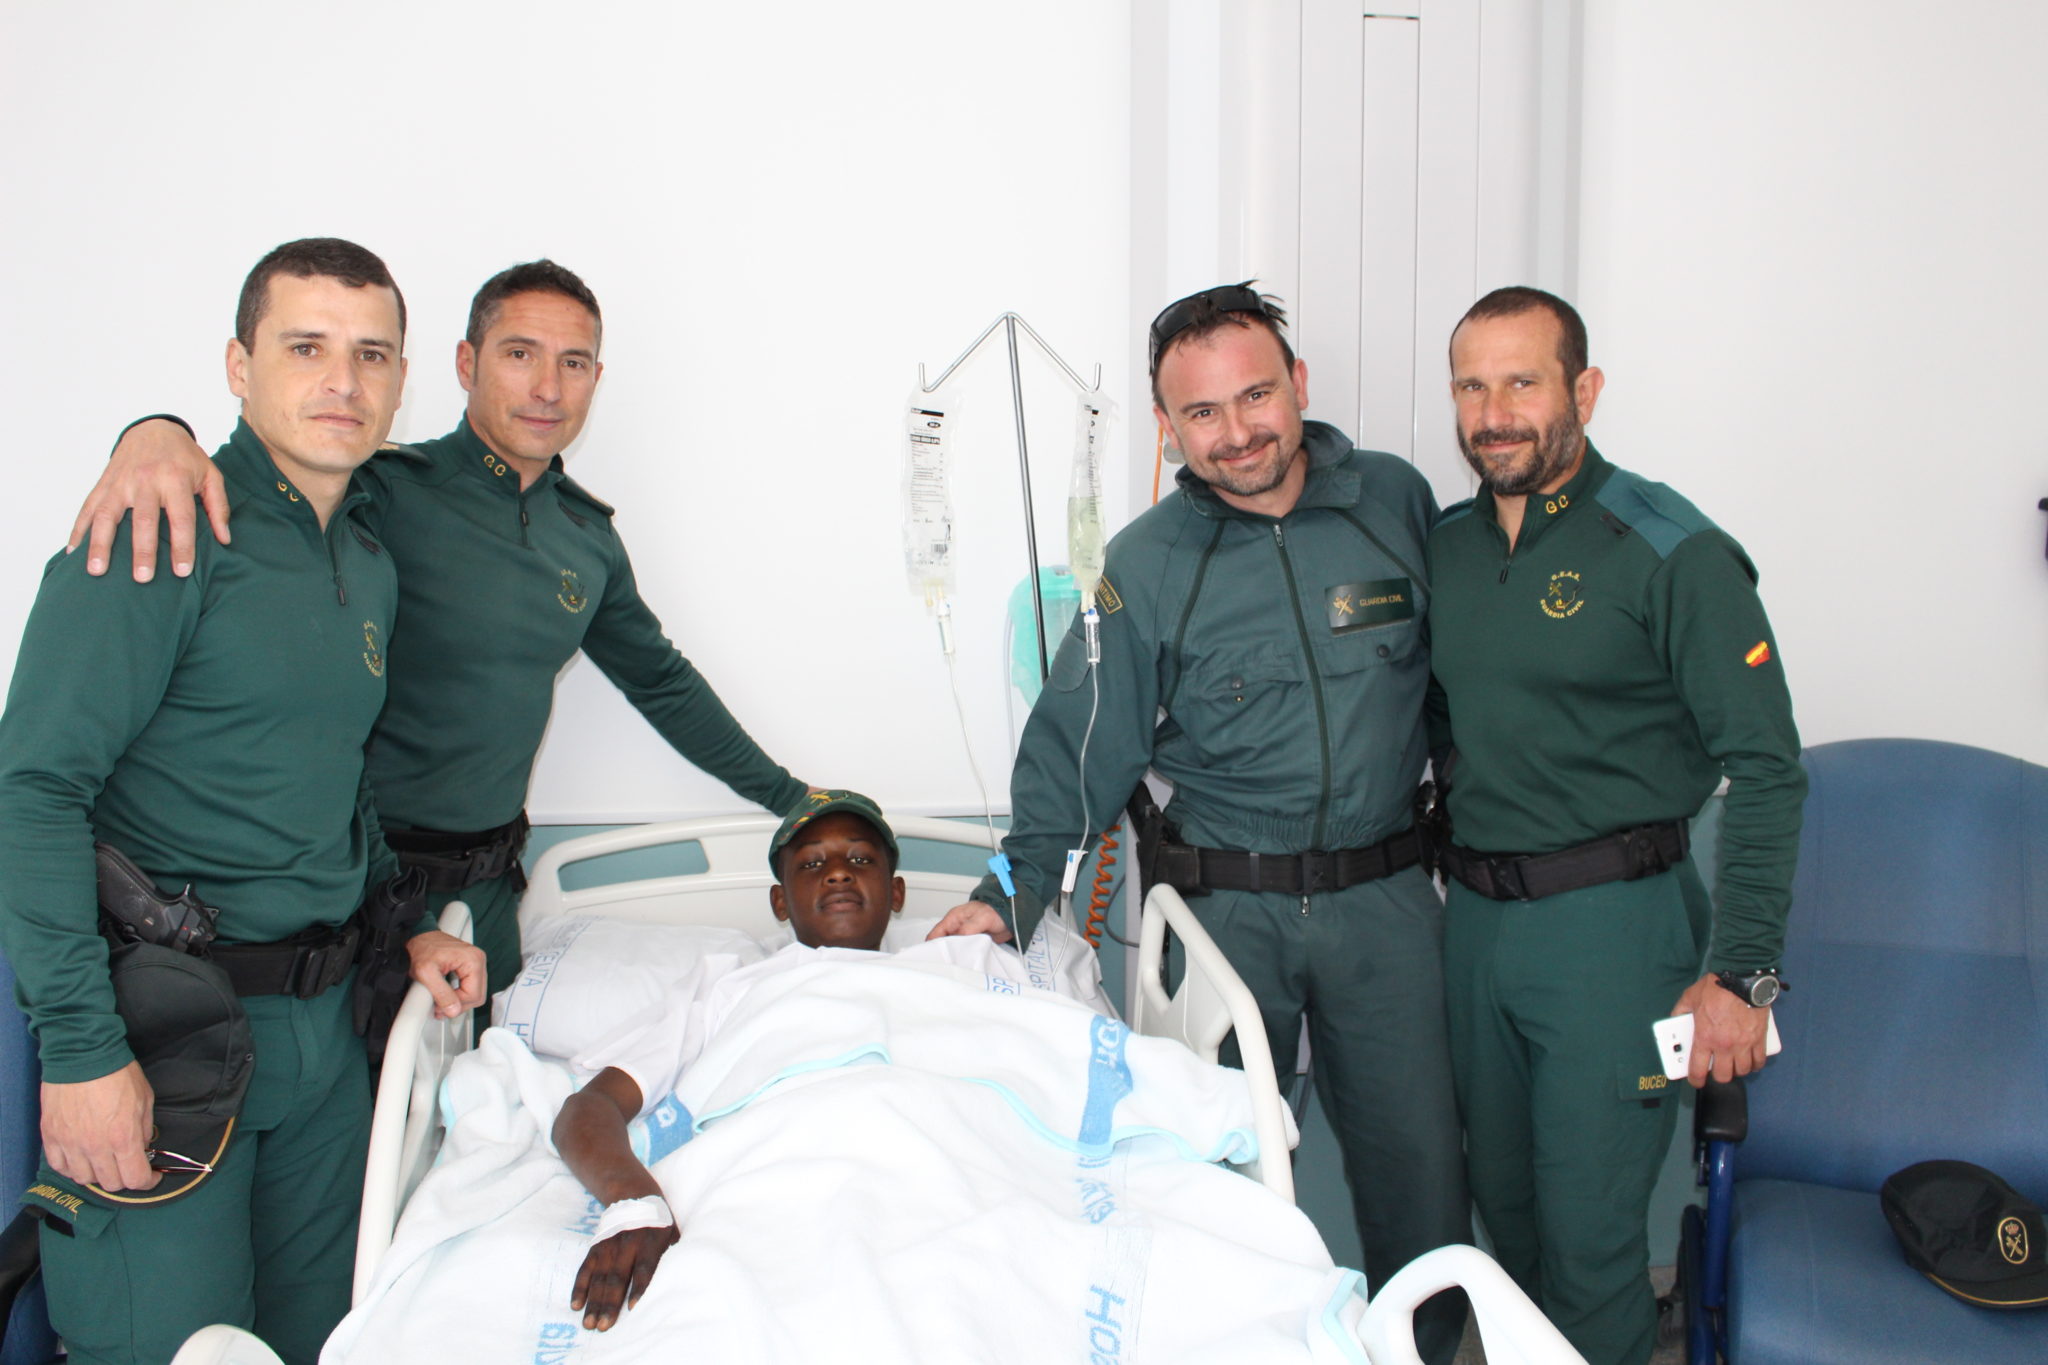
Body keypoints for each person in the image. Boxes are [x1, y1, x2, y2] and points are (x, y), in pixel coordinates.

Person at [932, 282, 1469, 1364]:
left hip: (1385, 902)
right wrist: (1007, 895)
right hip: (1228, 912)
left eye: (1255, 395)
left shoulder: (1395, 504)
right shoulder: (1146, 563)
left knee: (1420, 1175)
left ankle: (1426, 1348)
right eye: (1202, 413)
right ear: (1166, 425)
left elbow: (1463, 681)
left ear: (1297, 384)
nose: (1237, 433)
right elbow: (1079, 744)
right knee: (1216, 1184)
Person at [73, 261, 811, 1008]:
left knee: (497, 1070)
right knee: (377, 1077)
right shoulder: (381, 489)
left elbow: (661, 681)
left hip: (491, 883)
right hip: (371, 883)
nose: (547, 388)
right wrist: (156, 432)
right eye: (519, 353)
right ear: (465, 364)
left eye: (573, 363)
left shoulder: (588, 539)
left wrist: (792, 797)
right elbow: (269, 477)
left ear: (596, 378)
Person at [0, 238, 487, 1365]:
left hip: (322, 1043)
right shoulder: (162, 532)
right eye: (305, 347)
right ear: (238, 365)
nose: (343, 381)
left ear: (401, 381)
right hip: (169, 1037)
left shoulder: (364, 564)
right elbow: (31, 789)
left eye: (372, 355)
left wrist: (407, 926)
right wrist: (79, 1052)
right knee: (170, 1348)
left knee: (323, 1340)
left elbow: (333, 773)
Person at [1424, 286, 1804, 1365]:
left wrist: (1741, 974)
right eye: (1470, 386)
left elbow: (1767, 769)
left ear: (1582, 391)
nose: (1493, 413)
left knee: (1590, 1253)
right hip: (1476, 928)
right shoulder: (1445, 549)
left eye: (1522, 382)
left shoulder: (1669, 550)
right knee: (1508, 1229)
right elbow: (1449, 720)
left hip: (1611, 932)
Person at [551, 790, 910, 1331]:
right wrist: (636, 1203)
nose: (838, 873)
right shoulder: (729, 989)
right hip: (772, 1190)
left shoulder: (954, 970)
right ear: (780, 903)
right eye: (812, 864)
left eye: (860, 859)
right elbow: (590, 1107)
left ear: (896, 891)